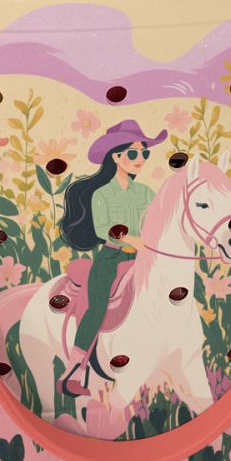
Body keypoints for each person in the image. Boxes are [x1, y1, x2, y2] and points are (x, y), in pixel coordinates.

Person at [58, 119, 167, 397]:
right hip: (112, 257)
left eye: (144, 153)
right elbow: (103, 228)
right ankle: (74, 371)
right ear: (116, 157)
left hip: (146, 257)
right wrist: (131, 240)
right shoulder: (102, 194)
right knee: (97, 308)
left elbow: (155, 223)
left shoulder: (146, 192)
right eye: (133, 153)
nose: (140, 158)